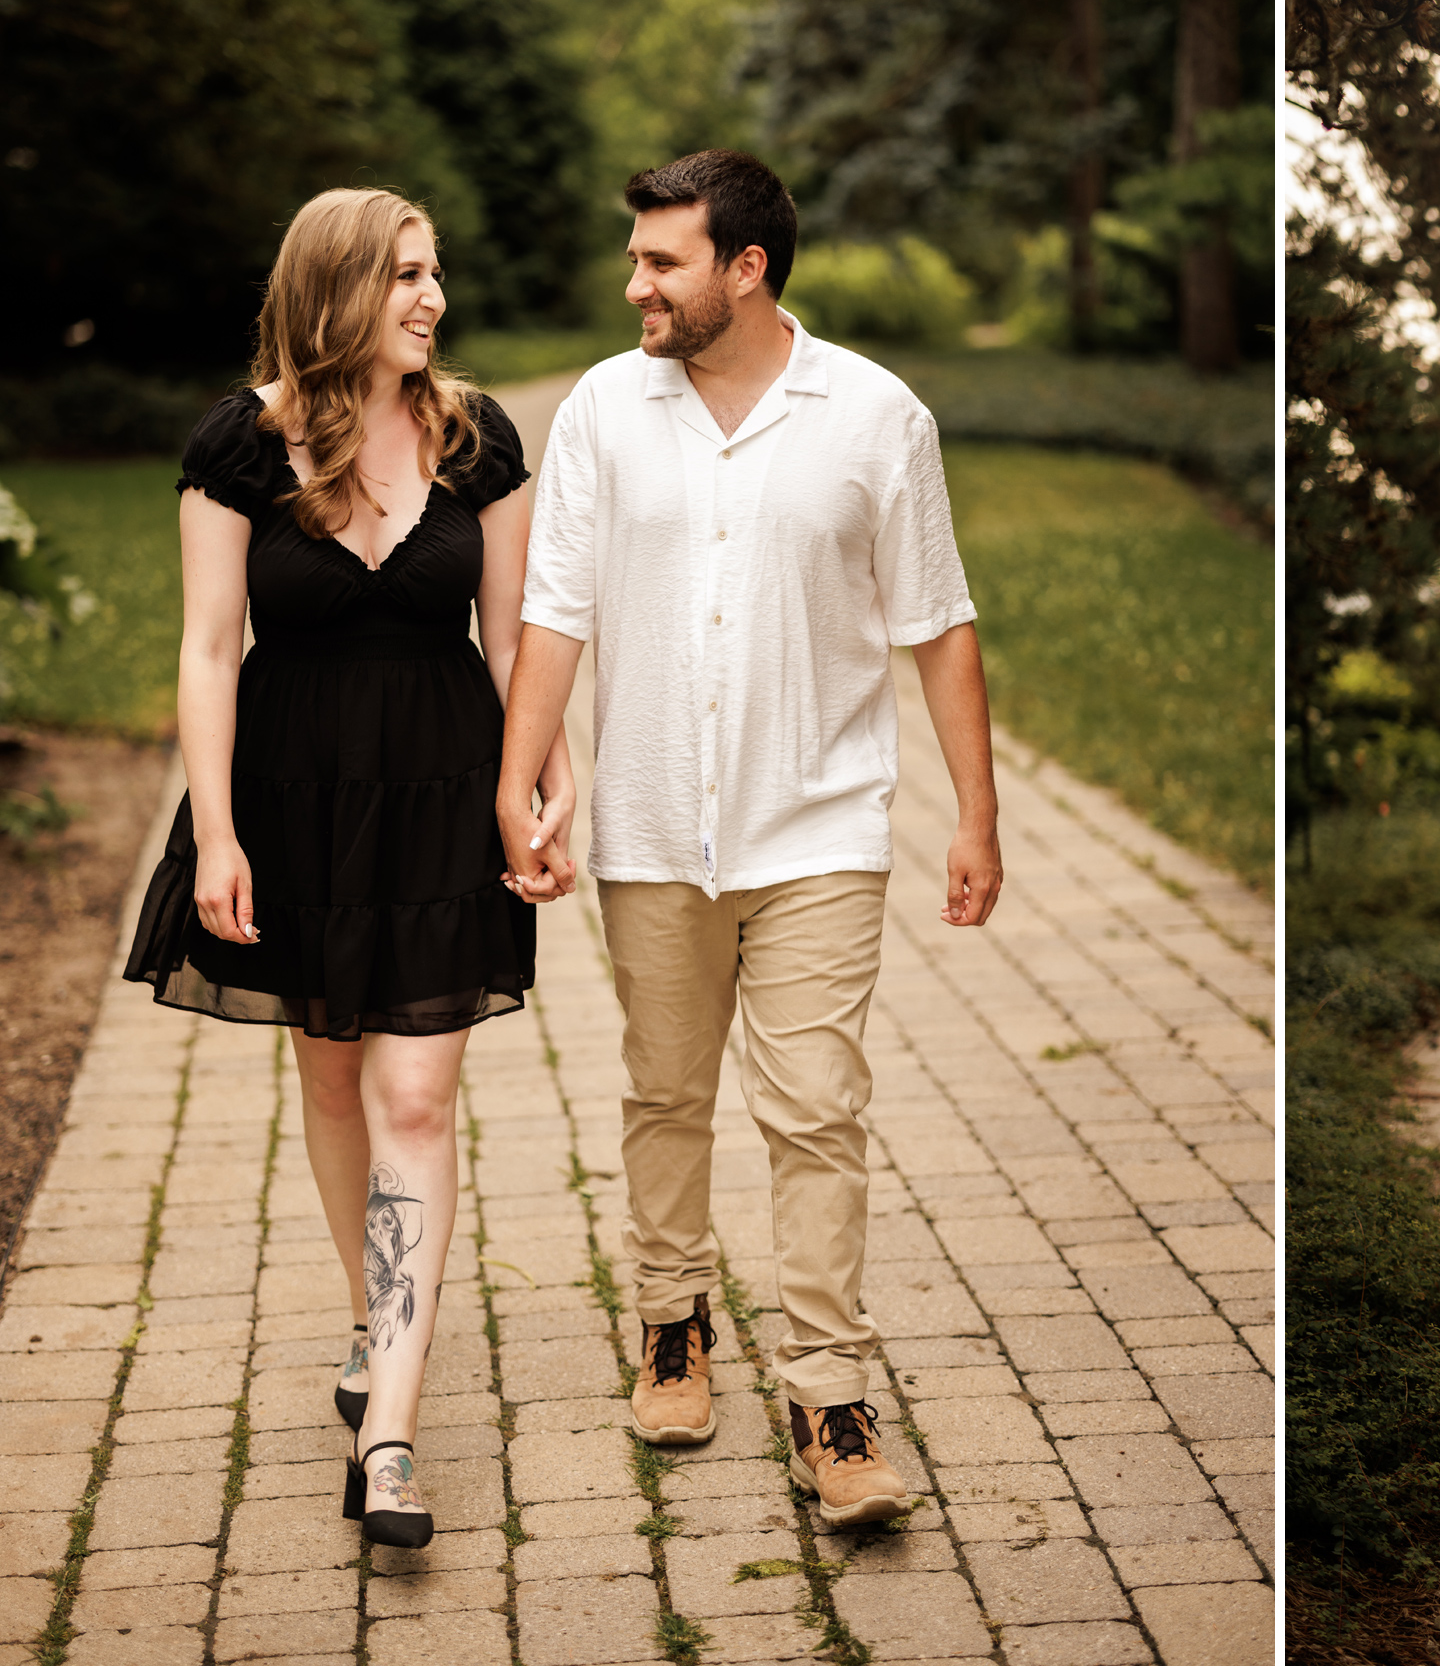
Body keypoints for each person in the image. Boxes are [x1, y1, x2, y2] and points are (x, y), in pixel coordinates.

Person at [495, 148, 1001, 1529]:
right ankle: (674, 1322)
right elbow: (558, 608)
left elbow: (938, 623)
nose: (635, 282)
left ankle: (829, 1396)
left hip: (820, 825)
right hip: (654, 820)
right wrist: (520, 772)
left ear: (746, 268)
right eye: (639, 257)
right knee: (666, 1094)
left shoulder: (878, 419)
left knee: (817, 1111)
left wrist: (979, 814)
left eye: (662, 260)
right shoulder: (606, 408)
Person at [124, 188, 577, 1550]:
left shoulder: (478, 438)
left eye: (436, 273)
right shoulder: (241, 444)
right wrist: (215, 830)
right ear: (333, 289)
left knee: (417, 1095)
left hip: (442, 790)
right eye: (404, 276)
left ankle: (390, 1429)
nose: (432, 299)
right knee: (331, 1071)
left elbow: (519, 639)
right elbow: (211, 649)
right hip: (295, 793)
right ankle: (374, 1318)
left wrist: (554, 784)